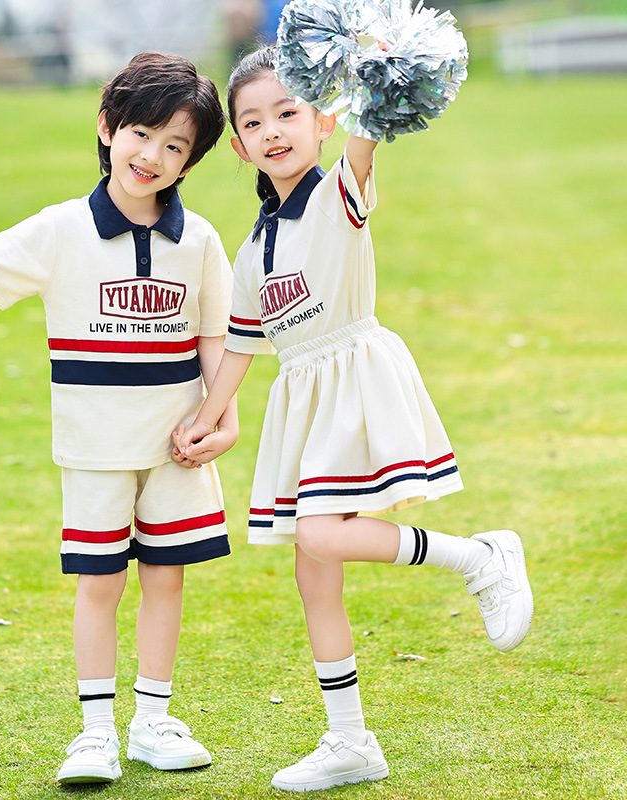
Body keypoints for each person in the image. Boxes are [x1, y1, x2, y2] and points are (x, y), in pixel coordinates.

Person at [173, 46, 533, 792]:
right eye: (254, 122)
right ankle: (351, 742)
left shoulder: (342, 188)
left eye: (288, 112)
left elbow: (371, 127)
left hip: (356, 380)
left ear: (323, 119)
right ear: (237, 146)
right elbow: (241, 347)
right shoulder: (253, 248)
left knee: (319, 533)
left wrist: (377, 60)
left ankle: (480, 558)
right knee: (316, 573)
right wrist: (206, 418)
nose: (273, 130)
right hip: (303, 397)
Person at [0, 51, 235, 785]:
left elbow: (220, 347)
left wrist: (221, 423)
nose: (153, 156)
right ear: (107, 126)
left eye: (176, 146)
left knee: (167, 579)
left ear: (190, 160)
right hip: (93, 449)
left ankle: (153, 721)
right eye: (142, 133)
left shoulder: (199, 242)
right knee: (100, 584)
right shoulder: (60, 229)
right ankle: (95, 732)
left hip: (177, 453)